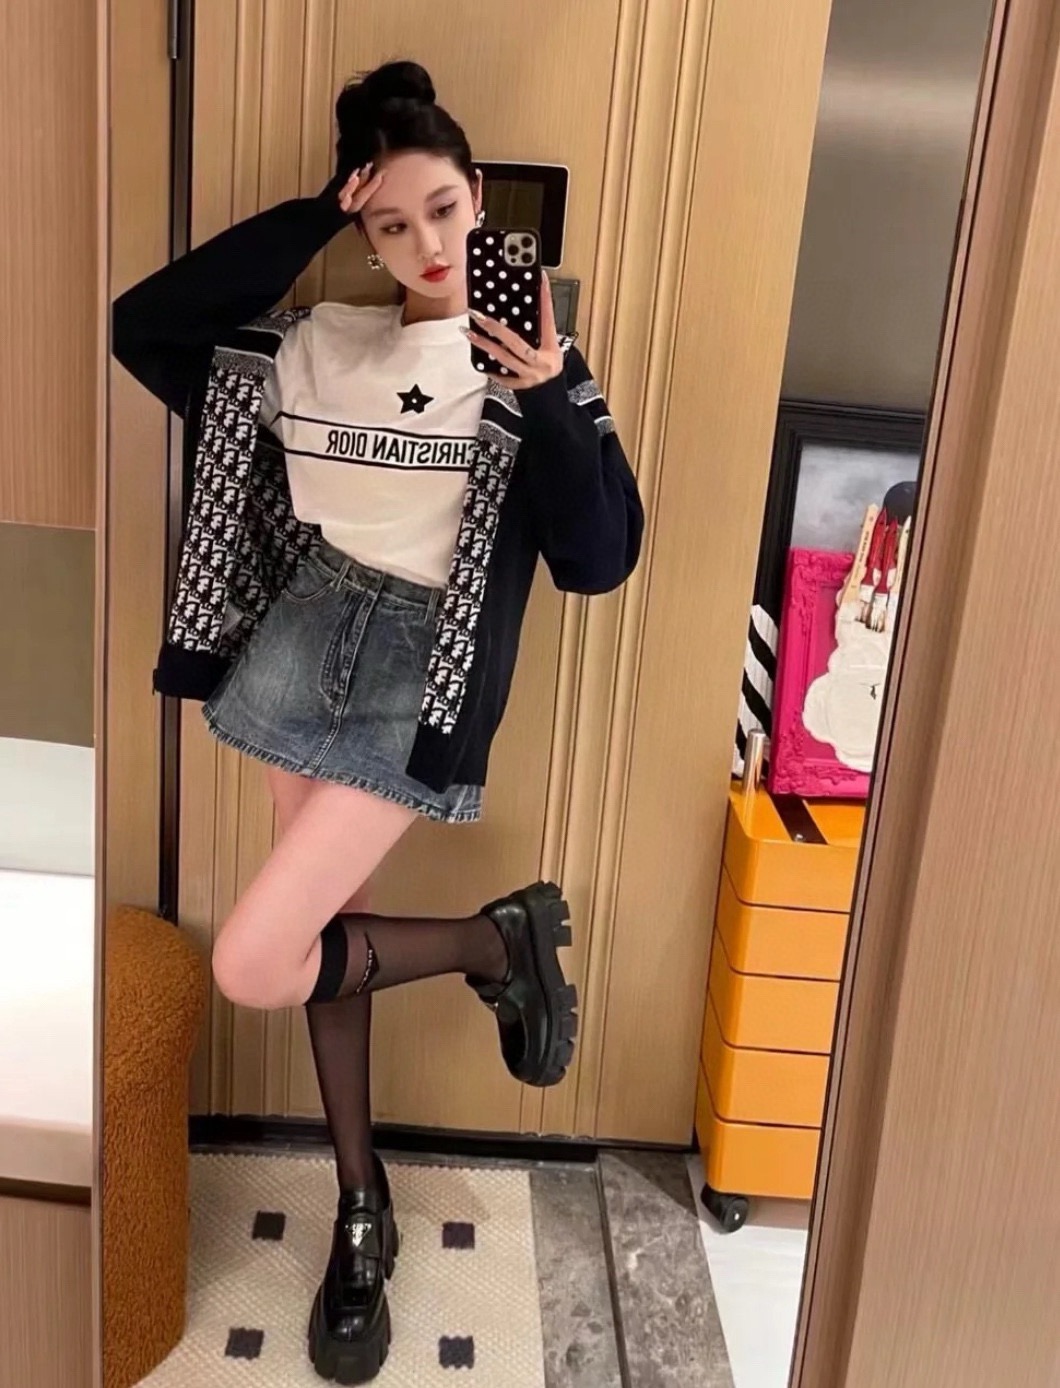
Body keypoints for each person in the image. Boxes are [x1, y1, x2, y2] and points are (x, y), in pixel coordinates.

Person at [112, 58, 643, 1384]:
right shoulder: (312, 347)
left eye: (445, 211)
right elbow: (145, 326)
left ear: (481, 199)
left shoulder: (531, 366)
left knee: (258, 959)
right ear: (361, 226)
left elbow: (597, 561)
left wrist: (551, 392)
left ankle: (492, 938)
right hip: (299, 645)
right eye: (391, 223)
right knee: (314, 944)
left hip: (419, 674)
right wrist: (314, 211)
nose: (426, 246)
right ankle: (362, 1206)